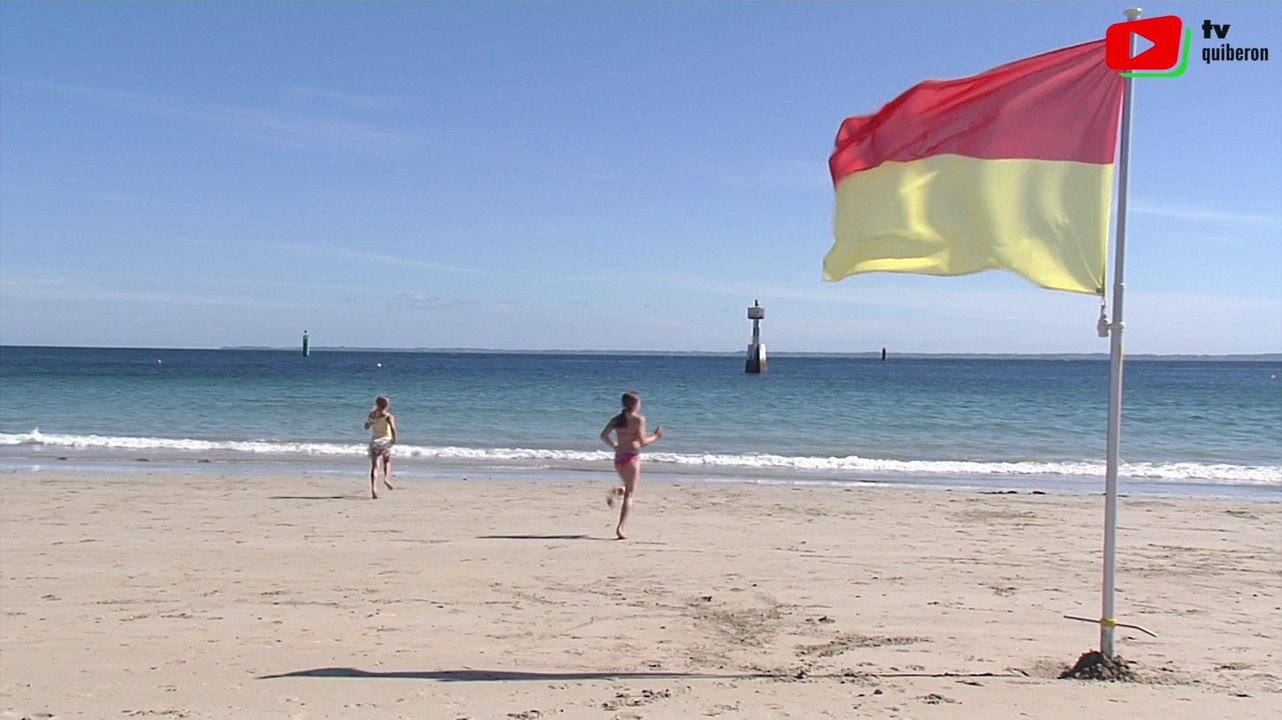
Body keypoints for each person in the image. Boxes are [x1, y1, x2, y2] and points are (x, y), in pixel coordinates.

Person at [599, 391, 663, 539]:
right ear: (635, 404)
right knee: (630, 494)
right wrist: (656, 436)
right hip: (632, 457)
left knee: (627, 486)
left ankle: (617, 490)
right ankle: (620, 528)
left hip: (619, 457)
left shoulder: (617, 419)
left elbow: (603, 435)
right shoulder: (638, 420)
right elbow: (643, 442)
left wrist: (614, 445)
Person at [363, 395, 398, 499]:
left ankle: (374, 488)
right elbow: (393, 428)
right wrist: (394, 439)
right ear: (386, 405)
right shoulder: (388, 416)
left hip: (375, 441)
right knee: (387, 461)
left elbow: (366, 427)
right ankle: (386, 479)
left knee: (375, 466)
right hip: (386, 441)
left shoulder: (372, 414)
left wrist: (371, 420)